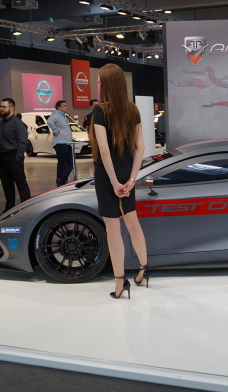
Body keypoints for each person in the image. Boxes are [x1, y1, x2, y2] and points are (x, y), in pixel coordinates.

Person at [90, 64, 149, 300]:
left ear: (106, 84)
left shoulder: (99, 110)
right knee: (133, 223)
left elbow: (104, 150)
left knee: (113, 229)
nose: (97, 84)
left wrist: (114, 183)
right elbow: (140, 147)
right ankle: (144, 270)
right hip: (127, 174)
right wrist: (131, 179)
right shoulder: (132, 109)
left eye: (98, 81)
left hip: (108, 176)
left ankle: (119, 282)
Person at [0, 98, 31, 212]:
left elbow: (23, 141)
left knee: (21, 184)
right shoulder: (0, 123)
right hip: (2, 158)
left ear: (11, 108)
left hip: (14, 157)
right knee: (7, 186)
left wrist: (18, 157)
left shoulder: (17, 123)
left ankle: (26, 209)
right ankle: (9, 208)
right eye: (1, 106)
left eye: (4, 107)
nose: (1, 109)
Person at [47, 100, 74, 187]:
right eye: (64, 105)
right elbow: (49, 121)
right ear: (59, 107)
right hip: (61, 142)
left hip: (66, 142)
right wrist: (55, 130)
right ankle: (61, 180)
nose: (66, 107)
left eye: (66, 105)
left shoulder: (63, 116)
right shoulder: (56, 115)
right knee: (63, 163)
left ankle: (61, 179)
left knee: (70, 163)